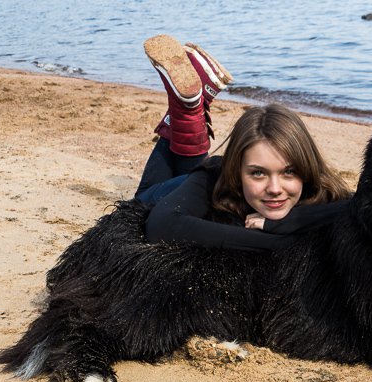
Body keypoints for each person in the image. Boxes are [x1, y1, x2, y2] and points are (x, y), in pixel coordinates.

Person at [135, 35, 351, 252]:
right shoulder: (212, 178)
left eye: (289, 172)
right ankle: (184, 110)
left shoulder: (324, 190)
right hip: (180, 186)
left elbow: (362, 205)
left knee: (186, 169)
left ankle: (188, 109)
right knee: (142, 199)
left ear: (307, 168)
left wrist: (291, 221)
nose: (275, 189)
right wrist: (282, 243)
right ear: (237, 172)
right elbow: (161, 226)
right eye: (258, 173)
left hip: (193, 177)